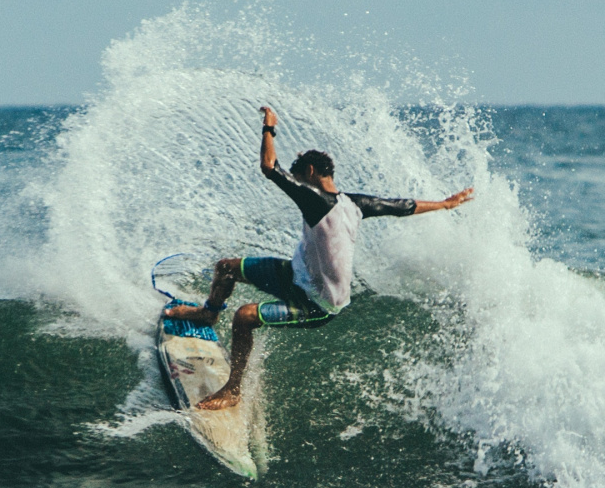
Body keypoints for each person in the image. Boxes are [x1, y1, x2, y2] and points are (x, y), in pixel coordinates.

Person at [167, 106, 473, 409]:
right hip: (296, 275)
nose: (298, 183)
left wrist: (269, 127)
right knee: (226, 268)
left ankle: (232, 391)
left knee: (245, 316)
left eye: (300, 177)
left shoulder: (315, 200)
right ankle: (208, 313)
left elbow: (269, 167)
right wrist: (444, 204)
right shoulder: (355, 203)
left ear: (310, 172)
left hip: (318, 303)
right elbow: (401, 206)